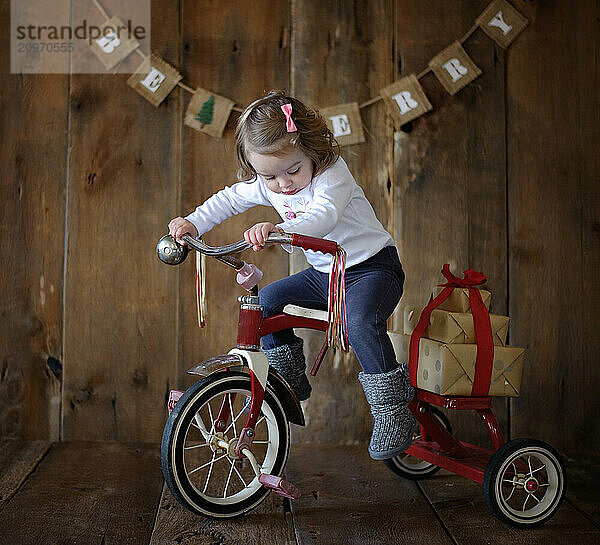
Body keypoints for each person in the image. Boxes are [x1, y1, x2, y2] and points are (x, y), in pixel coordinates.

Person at [168, 90, 415, 460]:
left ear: (312, 151)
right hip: (326, 275)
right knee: (266, 301)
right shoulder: (272, 182)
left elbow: (325, 216)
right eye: (268, 176)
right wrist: (192, 222)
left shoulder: (333, 176)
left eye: (293, 170)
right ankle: (289, 377)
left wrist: (280, 228)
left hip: (372, 269)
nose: (283, 184)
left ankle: (393, 409)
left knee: (360, 320)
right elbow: (230, 199)